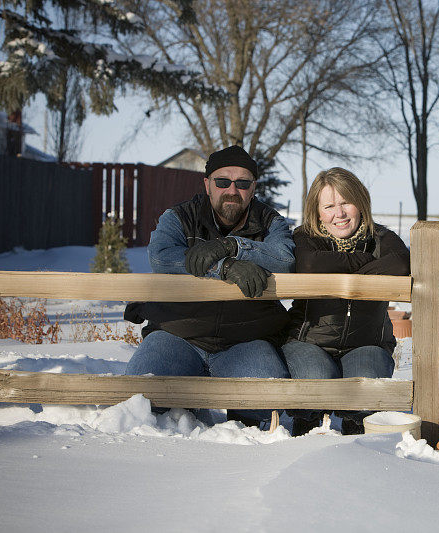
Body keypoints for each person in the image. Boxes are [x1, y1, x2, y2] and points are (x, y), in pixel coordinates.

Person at [124, 145, 294, 427]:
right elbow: (162, 257)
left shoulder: (269, 222)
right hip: (178, 332)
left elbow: (285, 259)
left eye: (242, 183)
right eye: (222, 181)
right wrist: (225, 268)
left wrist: (235, 247)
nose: (232, 190)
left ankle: (239, 428)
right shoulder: (180, 217)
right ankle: (189, 414)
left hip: (246, 338)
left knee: (267, 406)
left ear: (253, 188)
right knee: (139, 401)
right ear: (207, 184)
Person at [281, 167, 410, 436]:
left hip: (367, 344)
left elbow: (400, 262)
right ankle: (305, 425)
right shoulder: (305, 238)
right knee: (318, 382)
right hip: (308, 342)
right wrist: (362, 264)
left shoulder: (380, 238)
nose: (339, 214)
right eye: (329, 206)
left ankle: (356, 433)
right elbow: (309, 264)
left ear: (361, 204)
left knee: (364, 390)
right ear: (317, 212)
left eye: (346, 203)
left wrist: (343, 272)